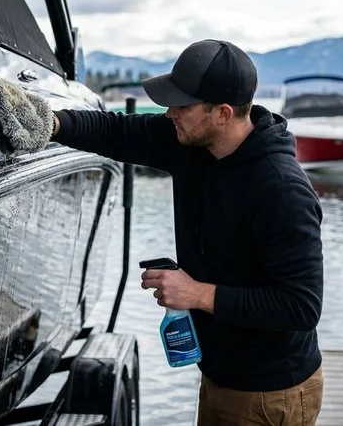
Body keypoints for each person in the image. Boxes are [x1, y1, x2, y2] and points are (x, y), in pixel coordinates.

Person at [49, 39, 325, 425]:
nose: (169, 112)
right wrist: (51, 123)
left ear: (222, 113)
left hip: (268, 394)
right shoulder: (192, 143)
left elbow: (301, 307)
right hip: (220, 377)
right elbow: (114, 131)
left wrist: (195, 293)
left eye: (182, 104)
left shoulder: (281, 189)